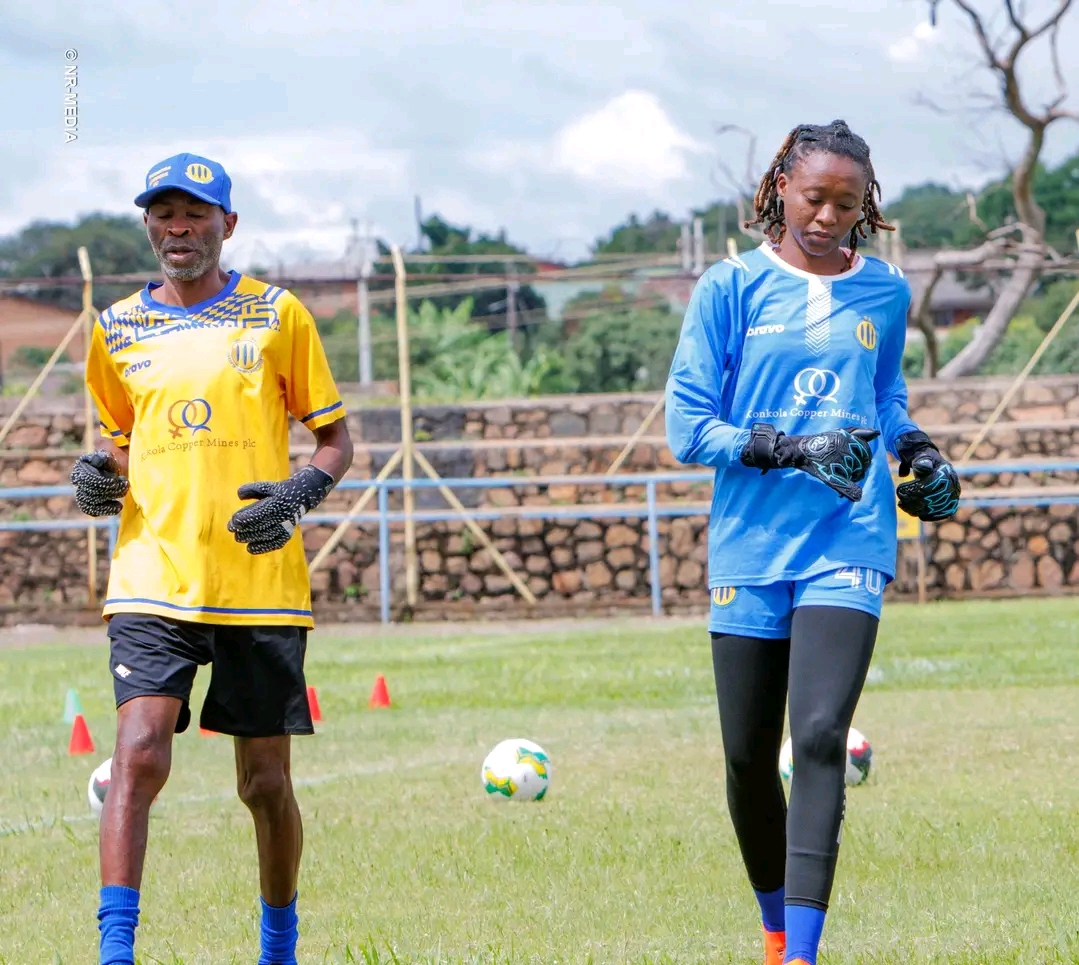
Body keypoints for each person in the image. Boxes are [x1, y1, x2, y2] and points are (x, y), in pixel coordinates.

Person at [665, 120, 960, 965]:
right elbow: (688, 427)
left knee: (821, 733)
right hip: (751, 547)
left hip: (849, 536)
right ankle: (771, 930)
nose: (829, 216)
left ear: (865, 205)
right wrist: (788, 449)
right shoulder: (727, 288)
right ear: (779, 189)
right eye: (814, 198)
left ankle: (802, 954)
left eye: (847, 202)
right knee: (745, 761)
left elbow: (886, 397)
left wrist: (919, 452)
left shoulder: (884, 293)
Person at [70, 152, 354, 965]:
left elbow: (333, 441)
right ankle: (115, 952)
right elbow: (119, 445)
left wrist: (297, 495)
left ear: (228, 224)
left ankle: (278, 945)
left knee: (263, 783)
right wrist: (100, 477)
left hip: (258, 583)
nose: (177, 228)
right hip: (152, 573)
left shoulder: (278, 314)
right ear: (148, 226)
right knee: (138, 751)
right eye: (162, 214)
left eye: (194, 214)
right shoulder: (115, 326)